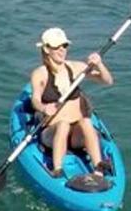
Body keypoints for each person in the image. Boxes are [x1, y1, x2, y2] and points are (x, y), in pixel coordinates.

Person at [29, 26, 114, 179]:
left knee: (86, 121)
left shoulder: (75, 67)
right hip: (52, 133)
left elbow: (107, 81)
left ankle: (98, 167)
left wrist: (99, 64)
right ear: (47, 49)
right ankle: (57, 169)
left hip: (76, 136)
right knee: (63, 125)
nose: (62, 50)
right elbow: (35, 99)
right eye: (57, 47)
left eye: (65, 46)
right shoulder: (40, 74)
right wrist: (43, 107)